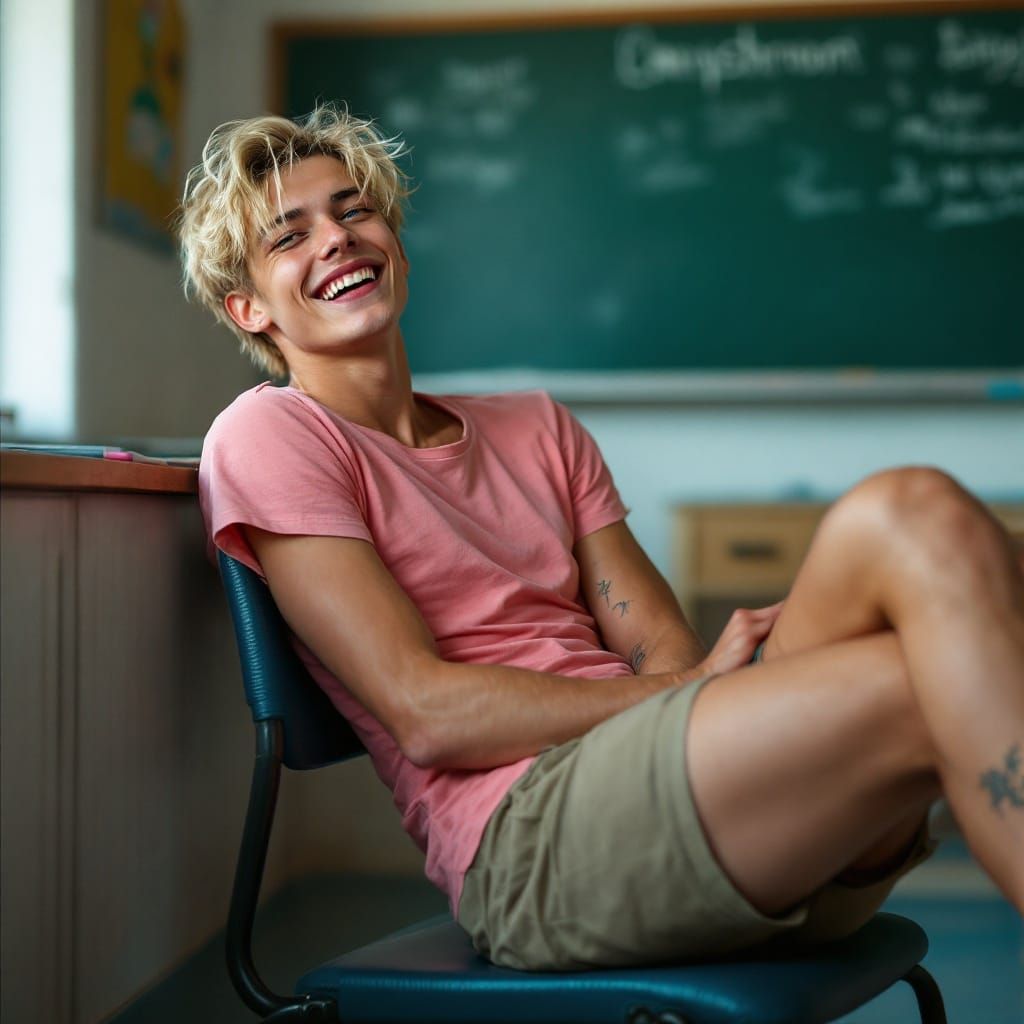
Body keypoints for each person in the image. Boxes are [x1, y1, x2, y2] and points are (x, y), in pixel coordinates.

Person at [179, 104, 1024, 970]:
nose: (336, 238)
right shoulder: (271, 437)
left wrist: (683, 688)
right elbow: (428, 716)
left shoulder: (537, 426)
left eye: (354, 210)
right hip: (538, 847)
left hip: (700, 802)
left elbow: (662, 645)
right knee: (927, 678)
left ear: (394, 238)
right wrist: (681, 692)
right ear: (247, 309)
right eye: (290, 235)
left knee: (913, 508)